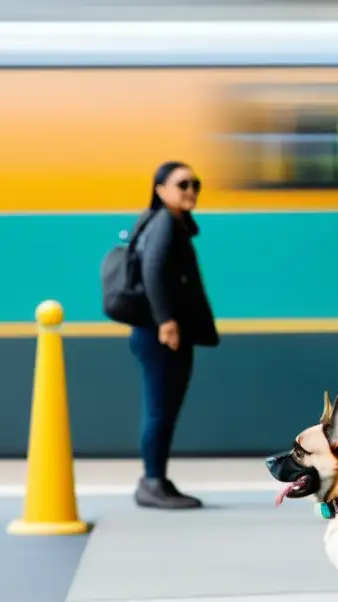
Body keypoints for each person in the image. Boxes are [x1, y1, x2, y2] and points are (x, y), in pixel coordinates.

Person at [129, 161, 219, 510]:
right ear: (160, 189)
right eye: (182, 184)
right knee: (159, 409)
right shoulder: (164, 222)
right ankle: (152, 482)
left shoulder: (167, 222)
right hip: (161, 334)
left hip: (158, 331)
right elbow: (152, 271)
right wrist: (167, 322)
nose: (191, 191)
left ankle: (156, 478)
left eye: (195, 184)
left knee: (162, 409)